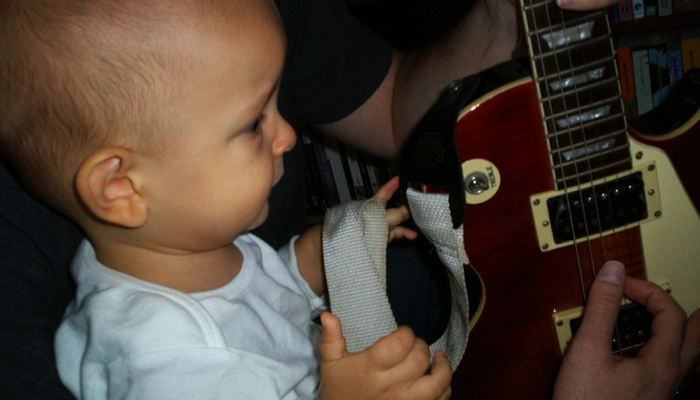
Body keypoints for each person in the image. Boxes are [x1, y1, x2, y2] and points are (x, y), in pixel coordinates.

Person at [0, 0, 697, 398]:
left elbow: (250, 290)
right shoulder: (168, 364)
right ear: (121, 187)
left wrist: (308, 259)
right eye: (253, 123)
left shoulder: (179, 249)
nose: (288, 134)